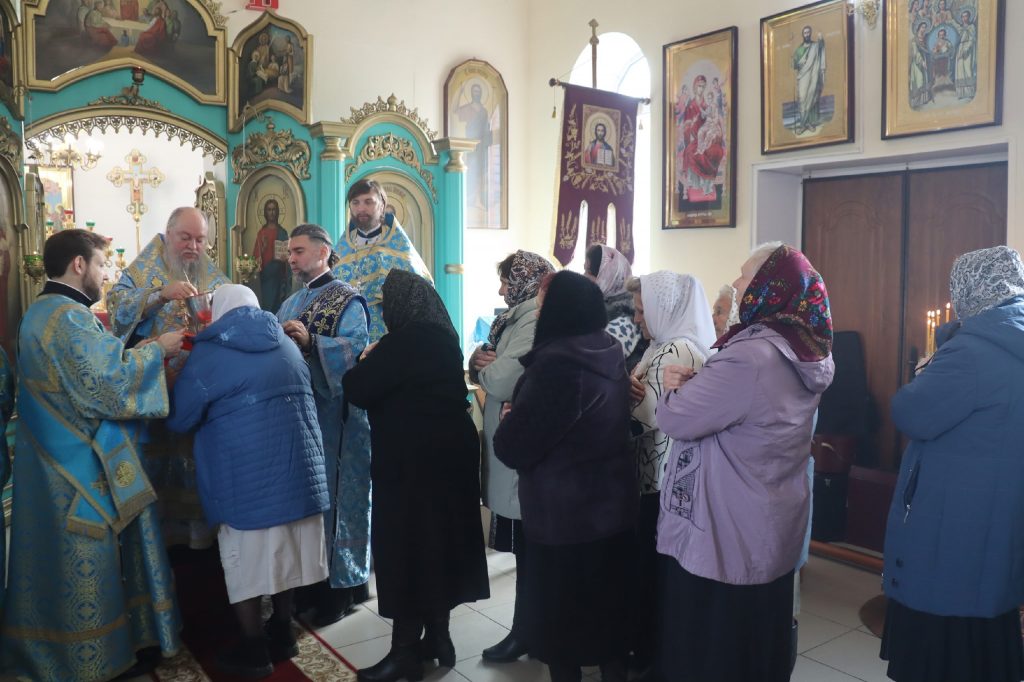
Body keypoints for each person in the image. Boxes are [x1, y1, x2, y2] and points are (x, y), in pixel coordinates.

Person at [0, 229, 185, 682]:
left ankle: (54, 650)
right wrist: (157, 353)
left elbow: (90, 369)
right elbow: (104, 385)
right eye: (102, 264)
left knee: (53, 562)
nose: (106, 274)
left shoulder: (41, 311)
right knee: (85, 560)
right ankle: (89, 659)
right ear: (78, 264)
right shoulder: (67, 317)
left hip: (48, 459)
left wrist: (136, 352)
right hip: (77, 467)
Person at [654, 243, 834, 682]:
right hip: (769, 518)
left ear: (770, 287)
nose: (736, 285)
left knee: (717, 647)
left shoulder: (749, 356)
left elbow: (675, 419)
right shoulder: (805, 348)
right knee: (759, 638)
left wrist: (675, 388)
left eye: (745, 275)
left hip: (726, 527)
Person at [167, 284, 329, 678]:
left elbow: (180, 418)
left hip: (245, 479)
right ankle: (283, 631)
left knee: (247, 565)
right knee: (287, 554)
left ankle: (253, 648)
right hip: (300, 477)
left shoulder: (210, 352)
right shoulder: (287, 343)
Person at [880, 246, 1024, 682]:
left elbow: (911, 413)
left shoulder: (972, 351)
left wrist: (926, 372)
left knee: (942, 645)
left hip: (956, 518)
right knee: (985, 629)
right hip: (1002, 509)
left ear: (968, 290)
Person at [343, 270, 489, 682]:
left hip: (412, 465)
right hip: (451, 456)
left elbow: (357, 388)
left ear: (402, 306)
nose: (385, 312)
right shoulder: (444, 338)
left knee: (407, 549)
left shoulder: (402, 342)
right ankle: (439, 640)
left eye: (387, 304)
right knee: (438, 546)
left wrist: (365, 358)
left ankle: (404, 653)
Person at [493, 271, 636, 682]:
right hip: (611, 509)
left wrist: (510, 420)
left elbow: (513, 447)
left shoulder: (557, 365)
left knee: (561, 632)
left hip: (564, 518)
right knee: (608, 621)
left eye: (544, 303)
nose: (539, 311)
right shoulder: (607, 350)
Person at [106, 206, 229, 547]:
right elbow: (116, 308)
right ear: (168, 233)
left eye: (200, 240)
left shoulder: (212, 273)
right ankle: (156, 543)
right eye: (185, 238)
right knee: (157, 462)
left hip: (199, 388)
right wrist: (160, 295)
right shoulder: (143, 269)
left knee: (194, 461)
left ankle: (197, 541)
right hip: (153, 387)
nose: (193, 246)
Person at [277, 224, 373, 627]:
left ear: (323, 252)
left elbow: (355, 351)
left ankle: (341, 590)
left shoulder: (348, 299)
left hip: (339, 424)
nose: (291, 258)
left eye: (298, 250)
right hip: (301, 420)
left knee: (338, 501)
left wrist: (311, 343)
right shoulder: (290, 302)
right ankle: (310, 586)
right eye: (290, 252)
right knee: (309, 504)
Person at [624, 270, 716, 678]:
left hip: (660, 481)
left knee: (652, 574)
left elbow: (648, 416)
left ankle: (650, 656)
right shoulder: (662, 346)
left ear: (664, 309)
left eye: (642, 311)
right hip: (656, 477)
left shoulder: (677, 350)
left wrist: (622, 393)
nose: (636, 319)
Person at [469, 249, 554, 662]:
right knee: (527, 554)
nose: (502, 290)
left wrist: (484, 368)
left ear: (525, 281)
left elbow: (503, 379)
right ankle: (528, 630)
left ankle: (529, 632)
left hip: (525, 453)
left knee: (533, 554)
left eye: (506, 281)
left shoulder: (533, 320)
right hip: (514, 446)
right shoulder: (514, 319)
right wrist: (478, 364)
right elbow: (486, 363)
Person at [332, 179, 433, 343]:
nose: (361, 208)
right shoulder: (341, 251)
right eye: (355, 203)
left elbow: (422, 295)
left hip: (389, 337)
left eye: (368, 202)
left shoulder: (400, 250)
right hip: (348, 338)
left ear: (382, 205)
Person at [584, 244, 645, 372]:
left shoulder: (627, 318)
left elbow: (595, 363)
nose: (584, 276)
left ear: (606, 276)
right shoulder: (597, 307)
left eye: (589, 271)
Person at [456, 83, 492, 212]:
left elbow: (486, 127)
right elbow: (455, 111)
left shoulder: (484, 111)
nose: (476, 93)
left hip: (482, 144)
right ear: (471, 93)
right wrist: (459, 93)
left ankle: (477, 200)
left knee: (481, 171)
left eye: (478, 91)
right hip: (471, 144)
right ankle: (469, 197)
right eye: (474, 91)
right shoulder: (468, 108)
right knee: (471, 169)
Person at [253, 198, 290, 311]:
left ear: (277, 211)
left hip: (279, 274)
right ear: (265, 212)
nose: (272, 212)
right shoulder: (262, 233)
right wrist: (263, 248)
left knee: (279, 304)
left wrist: (286, 258)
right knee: (268, 304)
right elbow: (256, 256)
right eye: (269, 210)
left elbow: (289, 252)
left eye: (274, 209)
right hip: (267, 275)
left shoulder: (282, 232)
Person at [792, 25, 826, 134]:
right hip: (803, 77)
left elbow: (821, 47)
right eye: (805, 33)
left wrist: (821, 39)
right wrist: (798, 63)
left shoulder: (815, 46)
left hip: (813, 77)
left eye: (808, 32)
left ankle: (808, 124)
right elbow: (793, 64)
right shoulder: (799, 49)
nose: (807, 34)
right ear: (803, 34)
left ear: (810, 33)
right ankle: (803, 124)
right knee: (802, 99)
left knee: (811, 97)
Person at [910, 21, 933, 109]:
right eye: (922, 27)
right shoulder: (915, 40)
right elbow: (915, 53)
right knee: (919, 80)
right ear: (918, 28)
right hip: (917, 63)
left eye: (925, 27)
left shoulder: (925, 39)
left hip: (925, 61)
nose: (924, 29)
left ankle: (924, 99)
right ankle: (916, 101)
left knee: (925, 79)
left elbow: (928, 50)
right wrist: (921, 62)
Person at [955, 9, 977, 100]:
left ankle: (970, 92)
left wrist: (966, 49)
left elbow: (972, 40)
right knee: (960, 71)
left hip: (968, 49)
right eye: (963, 16)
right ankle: (961, 93)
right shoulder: (959, 28)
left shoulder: (971, 27)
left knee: (968, 70)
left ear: (969, 17)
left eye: (966, 16)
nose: (964, 18)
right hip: (960, 49)